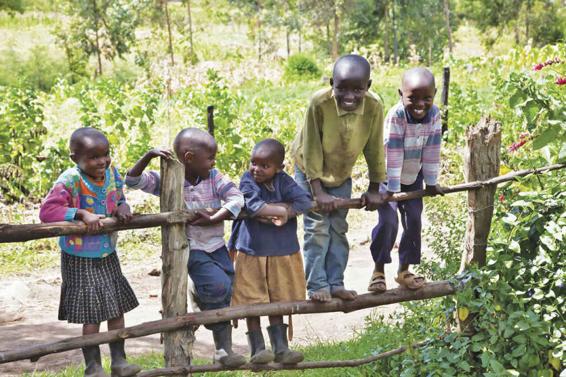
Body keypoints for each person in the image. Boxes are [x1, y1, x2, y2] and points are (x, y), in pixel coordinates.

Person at [125, 128, 246, 367]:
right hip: (191, 248)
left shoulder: (214, 177)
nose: (214, 162)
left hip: (217, 246)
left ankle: (222, 349)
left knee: (226, 289)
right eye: (210, 157)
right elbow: (132, 181)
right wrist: (149, 155)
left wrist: (215, 216)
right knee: (217, 286)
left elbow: (236, 198)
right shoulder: (168, 176)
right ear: (189, 157)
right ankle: (219, 342)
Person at [39, 127, 140, 377]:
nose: (102, 161)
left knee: (117, 308)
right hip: (79, 257)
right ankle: (93, 367)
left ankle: (119, 362)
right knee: (92, 313)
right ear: (75, 158)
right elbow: (47, 212)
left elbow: (118, 196)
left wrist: (122, 206)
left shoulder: (111, 173)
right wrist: (80, 214)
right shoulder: (70, 180)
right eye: (94, 157)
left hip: (107, 253)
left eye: (105, 154)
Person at [291, 54, 387, 302]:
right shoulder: (319, 103)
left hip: (341, 172)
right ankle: (317, 286)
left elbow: (375, 147)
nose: (349, 96)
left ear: (369, 85)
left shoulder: (374, 106)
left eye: (358, 89)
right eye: (341, 88)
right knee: (317, 228)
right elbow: (311, 146)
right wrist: (318, 191)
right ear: (332, 82)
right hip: (309, 170)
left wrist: (375, 186)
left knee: (338, 228)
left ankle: (336, 283)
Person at [228, 139, 312, 365]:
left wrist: (286, 211)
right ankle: (257, 349)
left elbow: (304, 201)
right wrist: (281, 211)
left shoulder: (284, 181)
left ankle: (281, 347)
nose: (257, 169)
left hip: (281, 251)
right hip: (251, 250)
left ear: (279, 168)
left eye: (265, 165)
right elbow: (252, 205)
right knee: (251, 298)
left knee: (278, 297)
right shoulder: (247, 180)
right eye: (254, 162)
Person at [368, 67, 444, 293]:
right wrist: (391, 190)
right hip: (387, 177)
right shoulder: (396, 115)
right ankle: (378, 270)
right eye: (413, 98)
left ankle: (403, 270)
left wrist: (430, 183)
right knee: (388, 222)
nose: (420, 104)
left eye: (426, 98)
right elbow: (392, 152)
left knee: (413, 221)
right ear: (401, 94)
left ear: (435, 94)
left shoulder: (435, 115)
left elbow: (432, 149)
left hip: (413, 175)